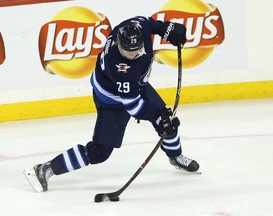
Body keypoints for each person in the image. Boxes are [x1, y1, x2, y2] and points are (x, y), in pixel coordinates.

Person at [24, 16, 200, 192]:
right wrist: (157, 116)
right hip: (111, 99)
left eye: (136, 50)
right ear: (118, 44)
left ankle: (175, 156)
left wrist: (167, 29)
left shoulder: (135, 27)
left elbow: (148, 22)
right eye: (127, 51)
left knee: (166, 119)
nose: (132, 55)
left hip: (137, 86)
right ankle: (45, 169)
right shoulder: (120, 67)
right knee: (100, 152)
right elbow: (134, 107)